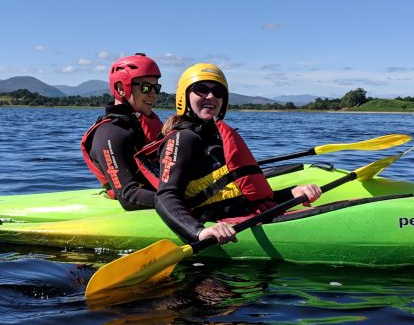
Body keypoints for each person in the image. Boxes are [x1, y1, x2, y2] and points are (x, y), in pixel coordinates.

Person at [151, 62, 321, 244]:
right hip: (213, 224)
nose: (210, 96)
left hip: (245, 215)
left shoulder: (220, 138)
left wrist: (292, 193)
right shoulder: (183, 139)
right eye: (201, 89)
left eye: (218, 92)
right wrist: (199, 232)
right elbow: (165, 196)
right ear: (184, 96)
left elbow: (240, 194)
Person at [80, 53, 164, 211]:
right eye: (146, 87)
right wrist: (184, 201)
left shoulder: (144, 125)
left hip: (161, 197)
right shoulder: (110, 133)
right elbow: (128, 196)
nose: (153, 93)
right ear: (121, 88)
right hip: (132, 205)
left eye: (156, 87)